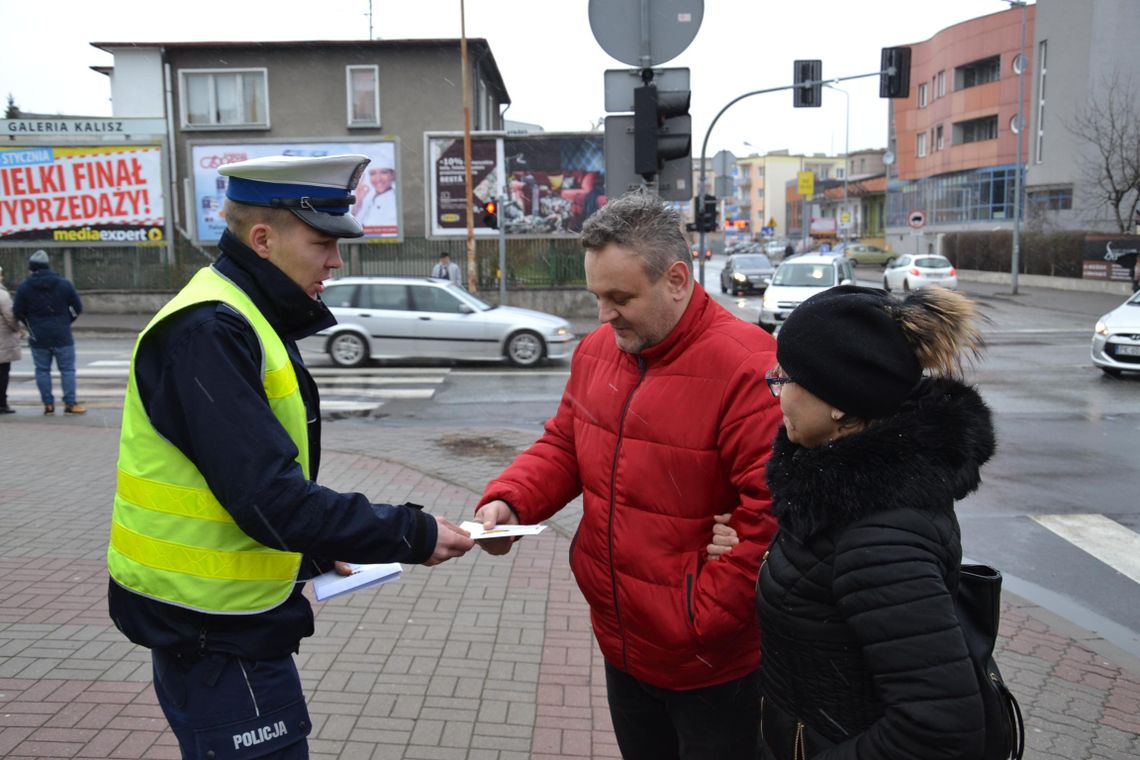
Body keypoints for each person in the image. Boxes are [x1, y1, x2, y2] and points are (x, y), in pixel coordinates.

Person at [105, 154, 475, 760]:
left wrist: (318, 547)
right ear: (262, 239)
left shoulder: (240, 314)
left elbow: (234, 484)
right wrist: (410, 532)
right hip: (215, 633)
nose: (335, 260)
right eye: (324, 242)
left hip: (218, 622)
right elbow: (270, 497)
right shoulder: (211, 330)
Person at [474, 191, 782, 759]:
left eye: (620, 297)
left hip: (711, 663)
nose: (603, 315)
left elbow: (770, 513)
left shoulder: (747, 364)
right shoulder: (597, 351)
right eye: (596, 296)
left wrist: (700, 617)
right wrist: (512, 502)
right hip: (622, 638)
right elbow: (566, 443)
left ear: (677, 279)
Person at [715, 285, 994, 760]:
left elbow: (940, 731)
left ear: (840, 401)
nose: (775, 388)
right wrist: (773, 559)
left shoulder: (882, 542)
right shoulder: (840, 492)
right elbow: (830, 597)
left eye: (786, 377)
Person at [12, 249, 85, 415]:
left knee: (42, 370)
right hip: (62, 335)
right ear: (48, 266)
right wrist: (66, 321)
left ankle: (48, 404)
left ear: (31, 268)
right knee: (67, 370)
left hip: (38, 336)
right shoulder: (63, 284)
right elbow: (78, 307)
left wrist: (30, 324)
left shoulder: (24, 287)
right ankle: (70, 403)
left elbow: (18, 311)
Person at [0, 265, 22, 414]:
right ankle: (1, 403)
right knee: (2, 372)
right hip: (2, 340)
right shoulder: (2, 295)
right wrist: (18, 328)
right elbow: (10, 317)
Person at [352, 160, 397, 229]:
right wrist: (358, 202)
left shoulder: (395, 202)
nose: (378, 179)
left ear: (392, 175)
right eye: (373, 173)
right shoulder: (368, 200)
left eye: (383, 172)